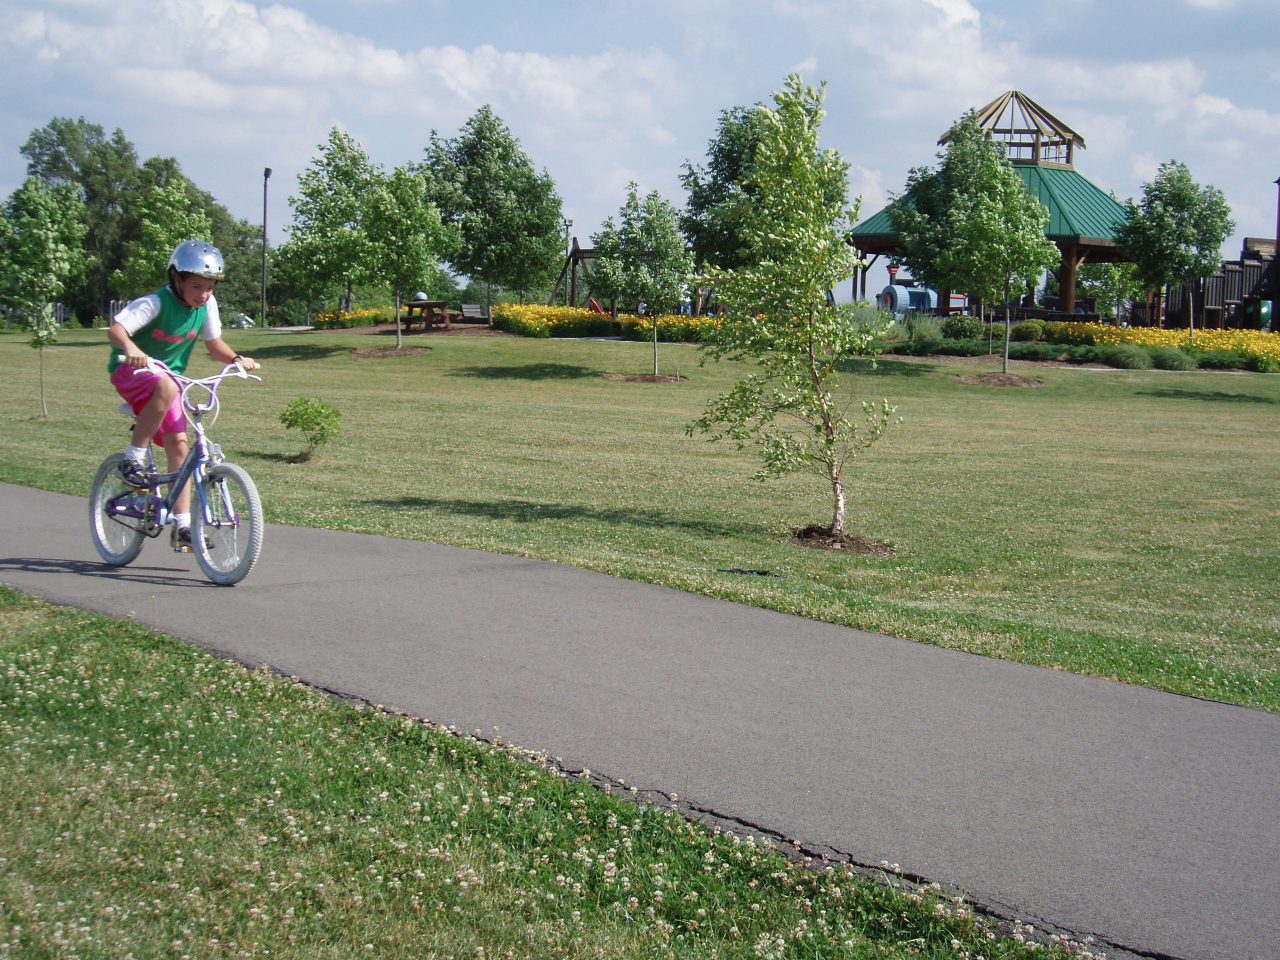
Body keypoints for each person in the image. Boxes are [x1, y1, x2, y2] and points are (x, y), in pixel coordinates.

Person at [107, 239, 258, 549]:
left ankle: (183, 527)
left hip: (170, 380)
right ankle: (132, 458)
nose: (204, 294)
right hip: (132, 371)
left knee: (180, 445)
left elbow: (214, 344)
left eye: (210, 288)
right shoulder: (156, 302)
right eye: (197, 286)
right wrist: (132, 347)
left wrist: (236, 360)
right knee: (165, 385)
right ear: (177, 278)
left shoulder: (207, 307)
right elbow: (116, 330)